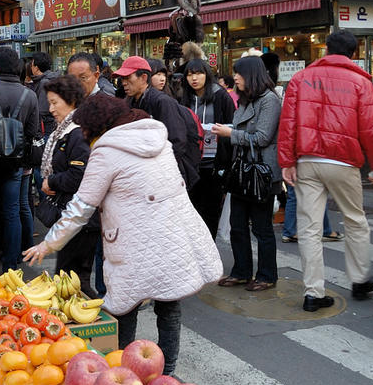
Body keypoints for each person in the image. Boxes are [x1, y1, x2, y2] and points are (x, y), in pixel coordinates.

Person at [24, 94, 221, 375]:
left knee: (125, 304)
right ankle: (167, 373)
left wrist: (49, 243)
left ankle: (123, 368)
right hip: (173, 234)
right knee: (169, 304)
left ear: (96, 127)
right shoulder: (157, 139)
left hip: (135, 240)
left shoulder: (106, 152)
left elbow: (81, 207)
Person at [278, 30, 373, 312]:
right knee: (355, 220)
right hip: (343, 161)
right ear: (353, 52)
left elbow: (288, 122)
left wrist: (286, 162)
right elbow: (372, 130)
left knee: (310, 227)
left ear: (326, 49)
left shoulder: (301, 78)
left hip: (308, 159)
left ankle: (313, 293)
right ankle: (360, 278)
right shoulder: (362, 81)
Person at [212, 57, 282, 292]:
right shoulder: (244, 99)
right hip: (242, 171)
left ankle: (266, 275)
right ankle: (241, 271)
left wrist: (230, 134)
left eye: (239, 74)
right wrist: (229, 130)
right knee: (237, 224)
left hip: (261, 173)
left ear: (251, 75)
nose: (236, 78)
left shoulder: (270, 100)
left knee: (261, 227)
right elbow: (243, 130)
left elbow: (262, 137)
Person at [40, 75, 99, 296]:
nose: (51, 108)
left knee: (74, 282)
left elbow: (80, 174)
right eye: (50, 102)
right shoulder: (63, 131)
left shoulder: (77, 132)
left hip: (82, 221)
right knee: (67, 278)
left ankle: (97, 327)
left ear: (71, 101)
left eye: (55, 102)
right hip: (72, 216)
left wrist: (51, 181)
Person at [0, 47, 40, 271]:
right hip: (16, 162)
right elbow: (33, 132)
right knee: (12, 210)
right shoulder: (29, 95)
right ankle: (12, 261)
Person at [117, 56, 200, 189]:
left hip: (169, 174)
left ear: (144, 78)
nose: (124, 83)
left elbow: (177, 141)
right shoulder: (129, 102)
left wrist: (160, 169)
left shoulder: (162, 102)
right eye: (122, 79)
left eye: (128, 78)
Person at [180, 59, 235, 239]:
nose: (194, 78)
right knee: (192, 209)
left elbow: (232, 126)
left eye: (198, 73)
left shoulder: (221, 96)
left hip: (214, 162)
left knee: (210, 210)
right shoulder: (185, 96)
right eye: (190, 74)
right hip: (192, 161)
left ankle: (210, 252)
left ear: (207, 74)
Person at [29, 51, 59, 137]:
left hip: (46, 128)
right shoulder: (52, 78)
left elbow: (42, 110)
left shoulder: (44, 82)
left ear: (36, 68)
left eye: (32, 65)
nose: (31, 67)